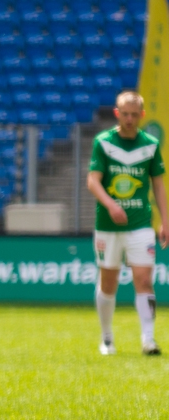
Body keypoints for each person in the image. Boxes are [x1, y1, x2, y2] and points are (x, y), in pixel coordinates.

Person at [87, 90, 168, 356]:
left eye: (135, 114)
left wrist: (165, 220)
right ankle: (107, 337)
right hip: (108, 226)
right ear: (116, 113)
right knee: (108, 283)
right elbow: (93, 181)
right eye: (125, 114)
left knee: (144, 281)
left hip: (140, 224)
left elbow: (158, 184)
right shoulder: (104, 142)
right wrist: (111, 205)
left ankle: (148, 339)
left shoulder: (150, 145)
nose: (130, 119)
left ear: (142, 115)